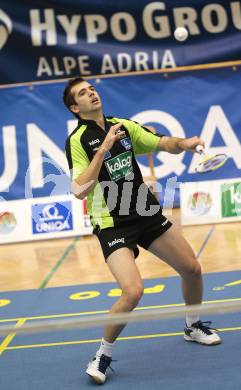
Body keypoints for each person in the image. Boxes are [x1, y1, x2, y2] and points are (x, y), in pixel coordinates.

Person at [63, 77, 221, 385]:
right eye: (83, 93)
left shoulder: (123, 126)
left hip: (144, 211)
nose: (91, 93)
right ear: (74, 107)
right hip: (112, 222)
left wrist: (184, 144)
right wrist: (103, 149)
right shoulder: (78, 140)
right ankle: (102, 355)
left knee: (192, 268)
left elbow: (163, 143)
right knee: (133, 290)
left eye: (91, 88)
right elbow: (79, 189)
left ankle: (193, 325)